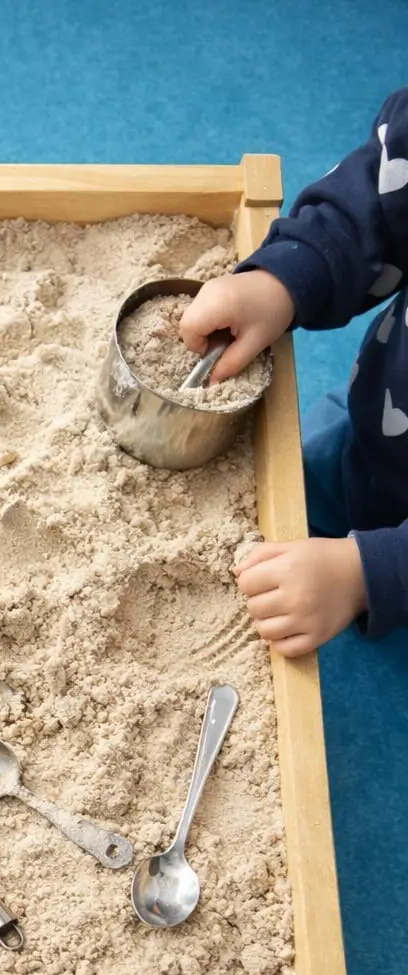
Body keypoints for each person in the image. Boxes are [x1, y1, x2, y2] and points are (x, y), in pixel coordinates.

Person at [181, 87, 408, 658]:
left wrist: (370, 573)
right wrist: (282, 280)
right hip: (378, 424)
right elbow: (379, 204)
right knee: (290, 474)